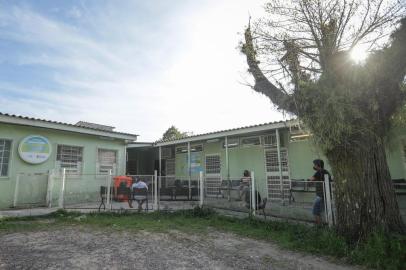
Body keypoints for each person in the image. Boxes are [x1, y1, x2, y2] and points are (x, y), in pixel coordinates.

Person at [308, 159, 331, 225]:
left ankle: (319, 226)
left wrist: (309, 180)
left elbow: (311, 179)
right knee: (322, 210)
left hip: (320, 196)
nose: (314, 166)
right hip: (326, 195)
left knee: (315, 211)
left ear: (318, 165)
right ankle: (323, 224)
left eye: (315, 165)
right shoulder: (326, 172)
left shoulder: (319, 172)